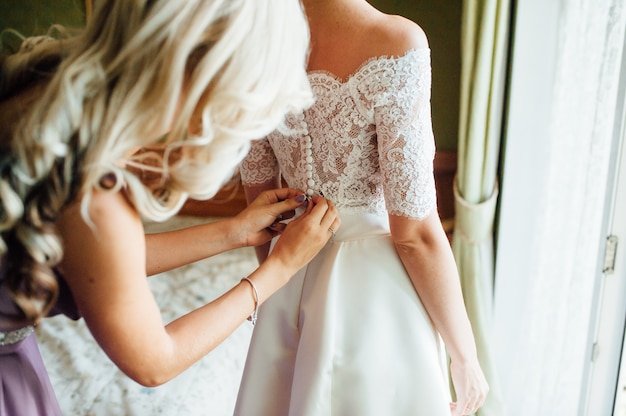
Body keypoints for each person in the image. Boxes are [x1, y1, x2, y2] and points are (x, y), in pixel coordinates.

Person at [0, 0, 341, 414]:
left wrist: (231, 232)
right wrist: (277, 271)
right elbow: (155, 362)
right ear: (202, 79)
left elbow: (103, 258)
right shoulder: (94, 191)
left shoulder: (39, 83)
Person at [234, 0, 489, 415]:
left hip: (287, 275)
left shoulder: (253, 48)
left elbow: (261, 210)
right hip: (376, 297)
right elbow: (416, 235)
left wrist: (279, 291)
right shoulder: (396, 43)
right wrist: (466, 357)